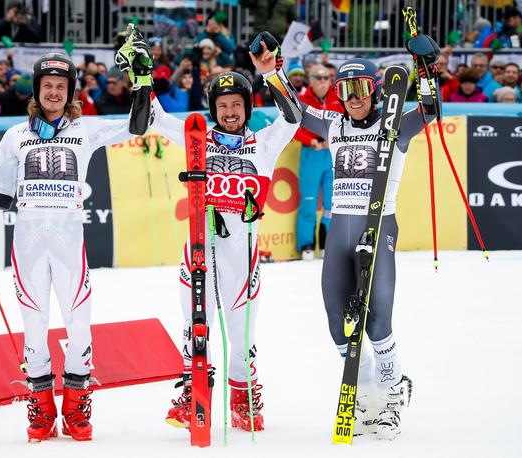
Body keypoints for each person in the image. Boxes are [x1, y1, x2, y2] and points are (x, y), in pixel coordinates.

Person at [0, 51, 152, 443]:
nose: (54, 92)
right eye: (47, 86)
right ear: (37, 91)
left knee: (79, 324)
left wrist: (141, 81)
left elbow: (137, 125)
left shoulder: (85, 130)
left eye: (61, 86)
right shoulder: (16, 137)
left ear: (70, 91)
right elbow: (4, 196)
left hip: (70, 243)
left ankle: (74, 405)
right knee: (34, 327)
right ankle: (41, 405)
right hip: (29, 244)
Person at [136, 32, 303, 432]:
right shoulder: (197, 137)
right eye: (222, 105)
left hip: (243, 259)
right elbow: (155, 117)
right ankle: (193, 392)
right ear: (213, 109)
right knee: (195, 325)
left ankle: (243, 399)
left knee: (242, 336)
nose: (229, 112)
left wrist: (272, 73)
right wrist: (143, 76)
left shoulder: (263, 144)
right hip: (198, 252)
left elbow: (294, 116)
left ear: (247, 108)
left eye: (236, 105)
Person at [299, 45, 440, 440]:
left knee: (377, 322)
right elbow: (294, 112)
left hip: (380, 228)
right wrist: (270, 73)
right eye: (345, 90)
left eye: (361, 88)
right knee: (337, 325)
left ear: (377, 90)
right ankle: (363, 396)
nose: (354, 98)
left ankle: (392, 396)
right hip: (339, 230)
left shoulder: (394, 126)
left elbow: (430, 110)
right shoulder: (333, 124)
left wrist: (424, 68)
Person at [294, 64, 343, 260]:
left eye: (326, 78)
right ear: (311, 81)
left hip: (332, 153)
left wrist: (334, 140)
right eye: (318, 78)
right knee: (308, 200)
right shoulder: (302, 100)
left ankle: (327, 242)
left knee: (332, 202)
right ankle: (306, 243)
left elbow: (344, 121)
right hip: (311, 153)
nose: (323, 81)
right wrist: (311, 141)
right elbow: (294, 127)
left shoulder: (337, 98)